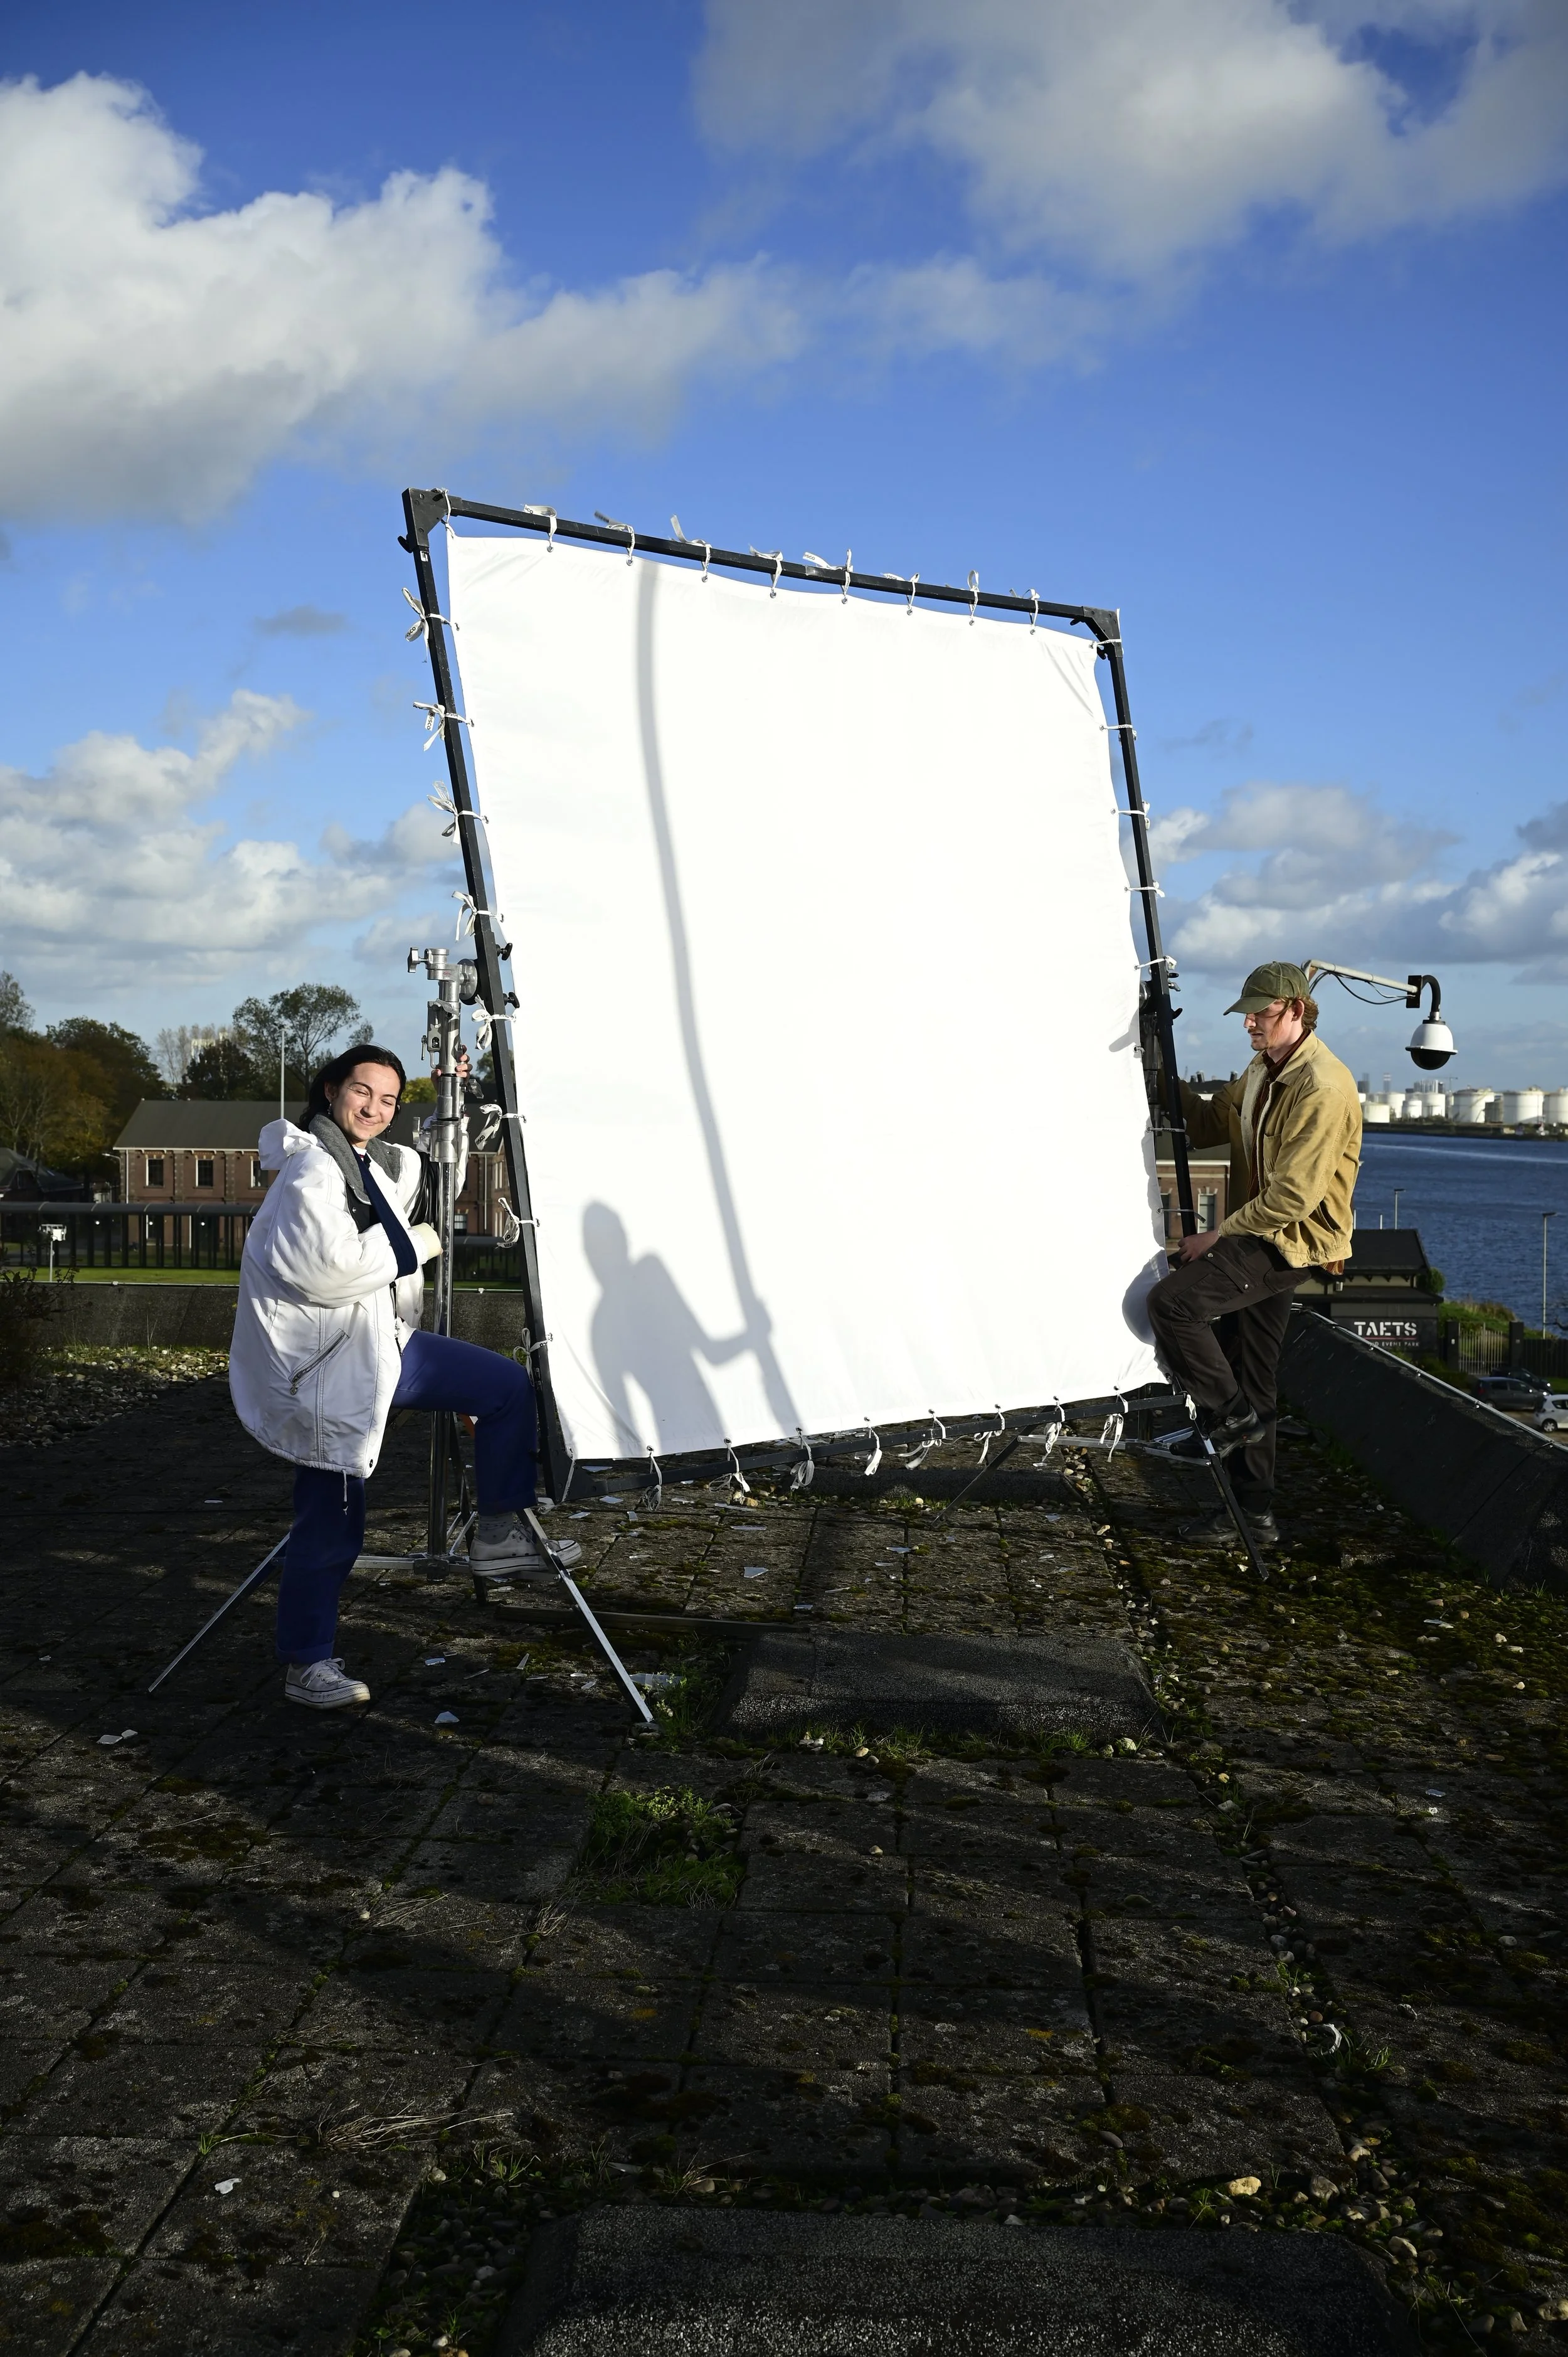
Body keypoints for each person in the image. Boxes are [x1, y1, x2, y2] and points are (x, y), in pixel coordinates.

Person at [228, 1044, 580, 1709]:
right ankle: (307, 1666)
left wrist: (462, 1095)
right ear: (332, 1089)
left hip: (375, 1346)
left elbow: (430, 1168)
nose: (375, 1109)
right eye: (363, 1092)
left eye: (389, 1099)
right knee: (331, 1522)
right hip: (322, 1371)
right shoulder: (311, 1170)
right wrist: (418, 1243)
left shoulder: (361, 1162)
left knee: (504, 1389)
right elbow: (328, 1273)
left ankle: (500, 1534)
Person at [1147, 960, 1361, 1546]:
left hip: (1288, 1239)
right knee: (1254, 1371)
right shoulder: (1265, 1069)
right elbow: (1213, 1120)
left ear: (1296, 1009)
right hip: (1262, 1229)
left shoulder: (1322, 1086)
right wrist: (1156, 1066)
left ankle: (1228, 1418)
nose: (1250, 1025)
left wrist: (1216, 1235)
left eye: (1261, 1014)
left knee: (1173, 1305)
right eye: (1246, 1015)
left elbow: (1294, 1195)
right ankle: (1254, 1516)